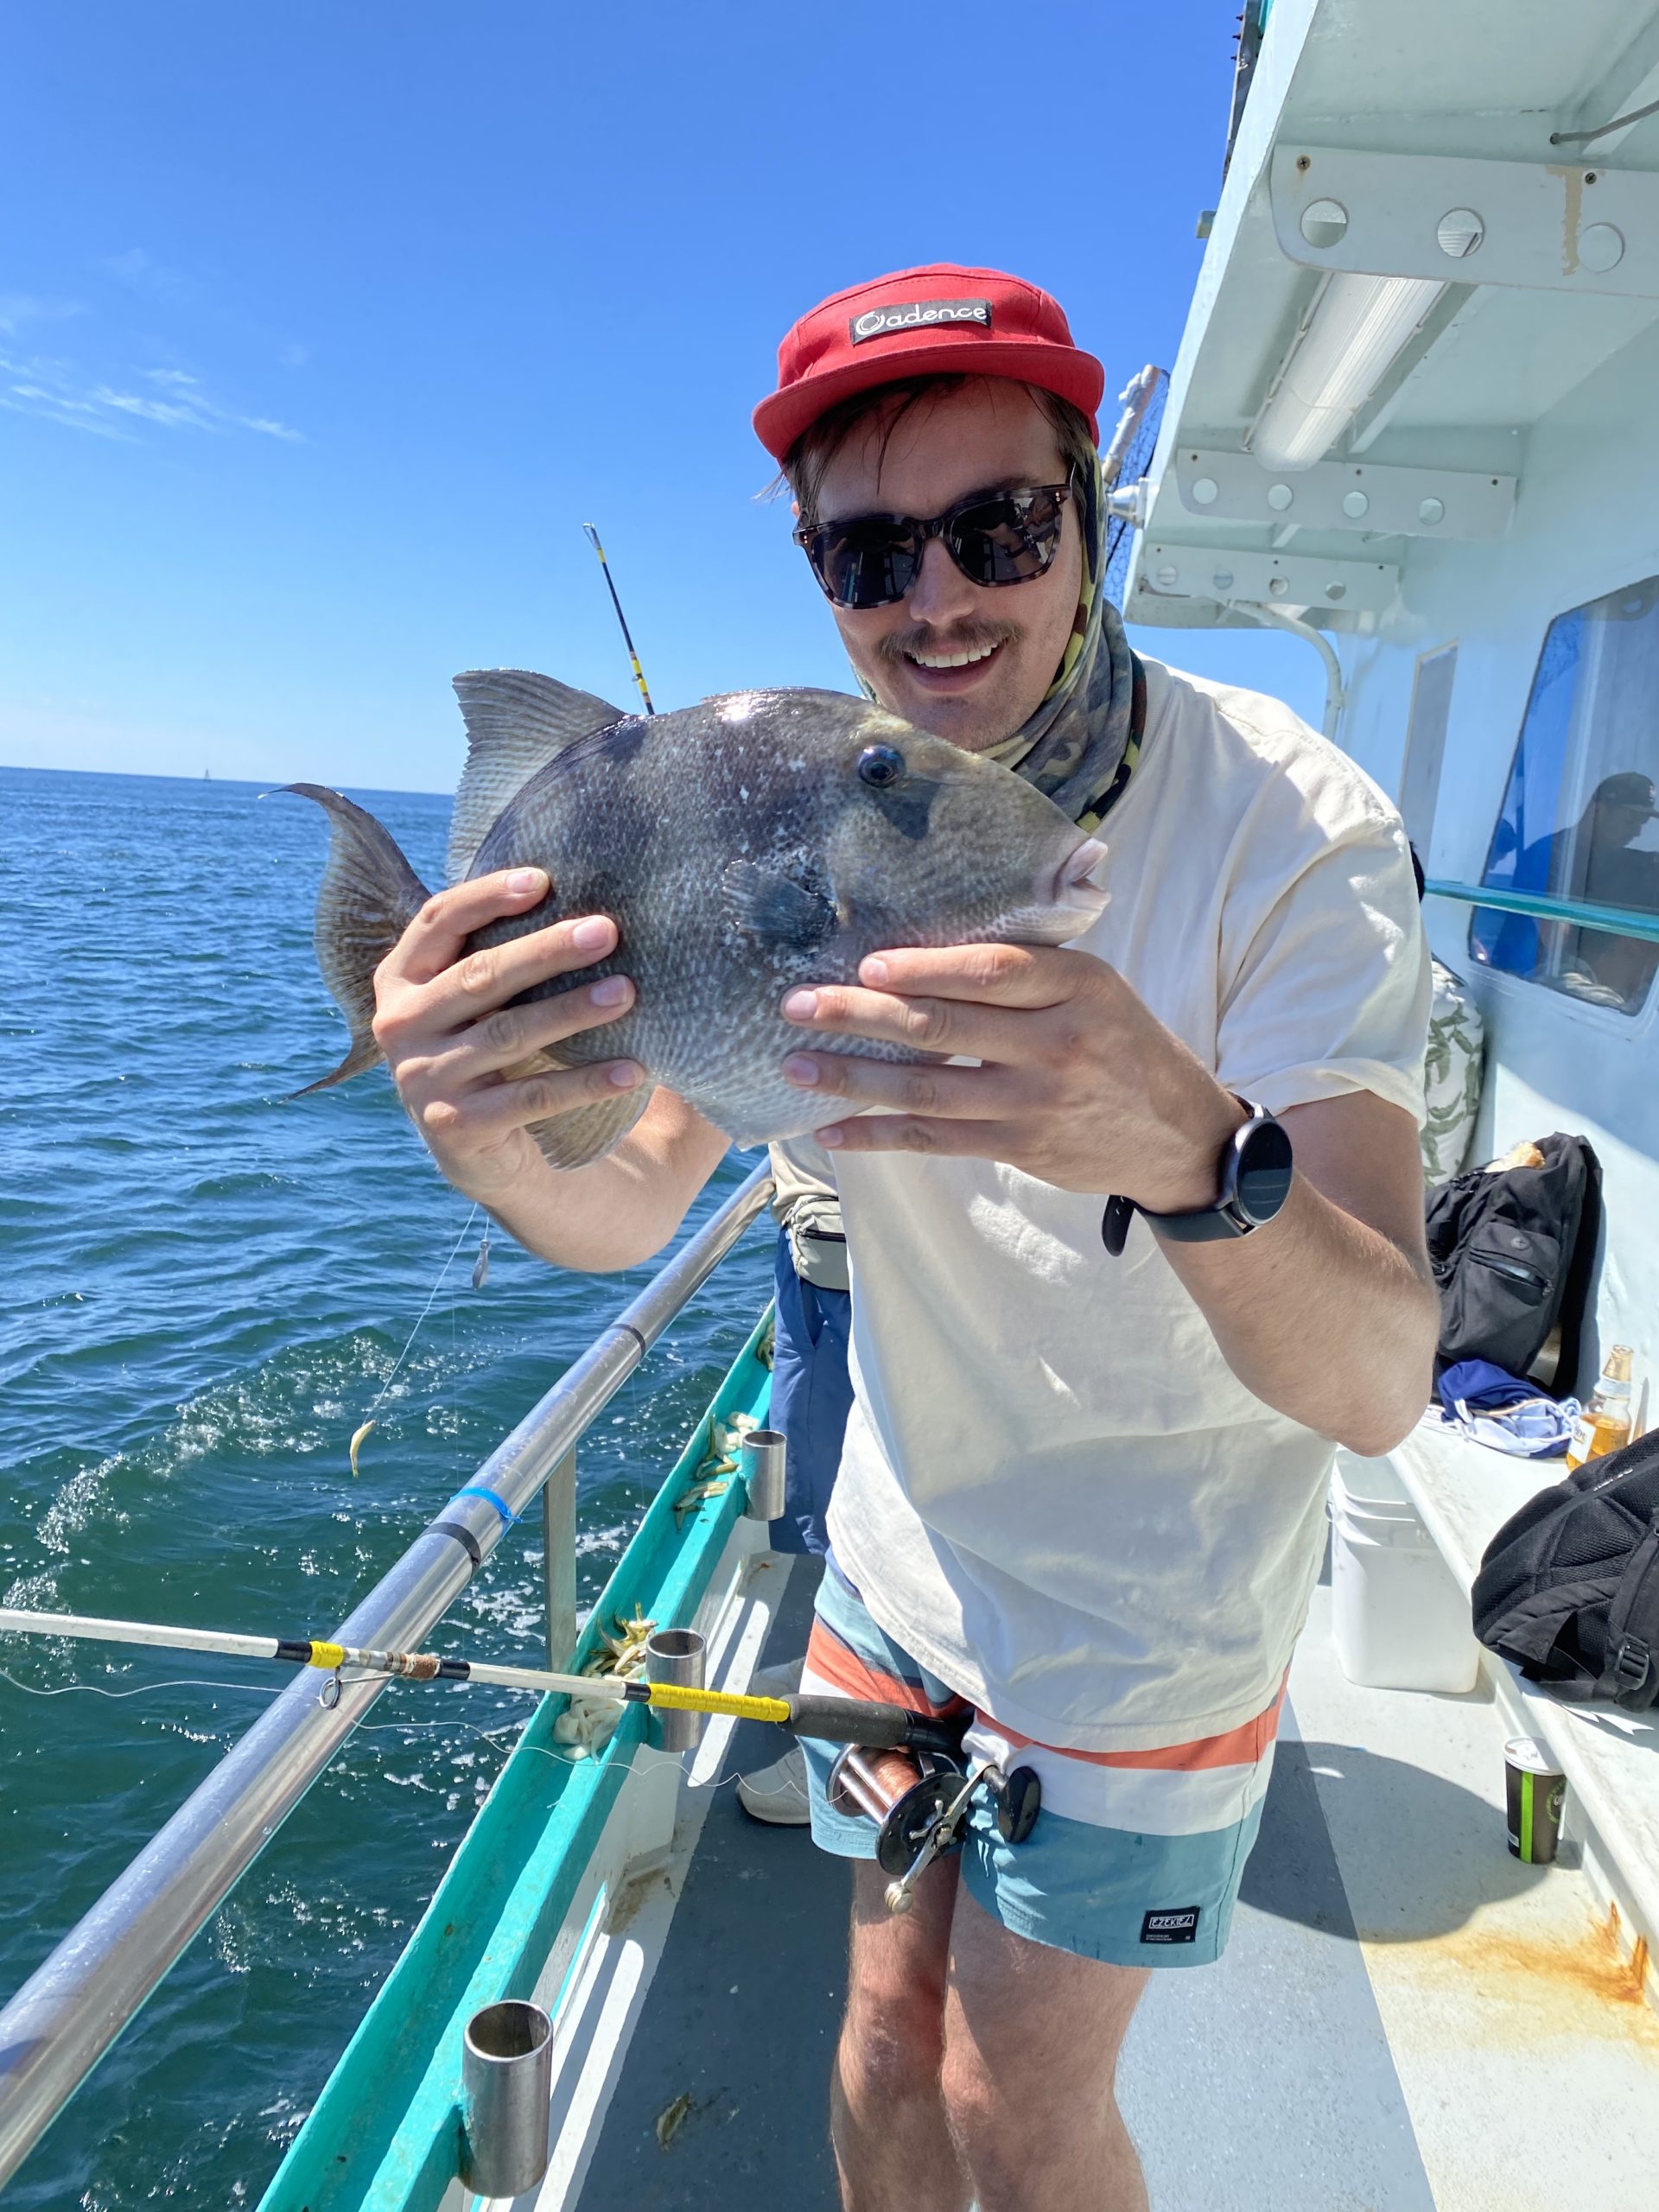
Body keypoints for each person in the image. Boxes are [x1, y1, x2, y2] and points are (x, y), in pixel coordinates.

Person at [368, 264, 1437, 2212]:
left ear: (1088, 521)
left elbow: (1376, 1385)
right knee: (874, 2040)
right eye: (869, 553)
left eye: (998, 526)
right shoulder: (798, 819)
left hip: (1150, 1620)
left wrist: (1194, 1144)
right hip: (894, 1564)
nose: (937, 596)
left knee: (1017, 2106)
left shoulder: (1298, 828)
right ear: (818, 577)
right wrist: (482, 1131)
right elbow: (618, 1197)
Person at [734, 1140, 854, 1823]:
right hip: (821, 1260)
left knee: (870, 1516)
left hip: (856, 1270)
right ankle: (834, 1669)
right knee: (827, 1492)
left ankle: (849, 1751)